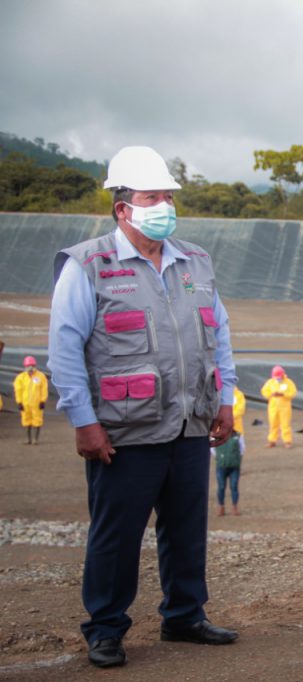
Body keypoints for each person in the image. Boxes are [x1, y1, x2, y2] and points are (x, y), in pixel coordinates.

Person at [47, 146, 239, 668]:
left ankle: (185, 615)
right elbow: (64, 349)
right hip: (124, 430)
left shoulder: (195, 260)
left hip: (189, 423)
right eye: (153, 197)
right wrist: (84, 422)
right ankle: (105, 628)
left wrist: (225, 400)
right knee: (117, 535)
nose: (165, 205)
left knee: (185, 529)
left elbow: (217, 334)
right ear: (123, 208)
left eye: (169, 196)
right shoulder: (89, 265)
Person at [14, 355, 48, 444]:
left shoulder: (41, 376)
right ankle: (28, 439)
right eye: (28, 366)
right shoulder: (20, 377)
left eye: (32, 365)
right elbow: (18, 390)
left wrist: (42, 401)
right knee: (26, 420)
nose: (30, 368)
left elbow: (44, 389)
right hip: (25, 403)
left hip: (37, 403)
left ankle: (35, 439)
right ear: (25, 366)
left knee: (37, 420)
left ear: (35, 366)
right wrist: (19, 402)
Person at [260, 365, 296, 448]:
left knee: (285, 424)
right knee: (273, 424)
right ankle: (272, 441)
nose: (277, 378)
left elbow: (293, 393)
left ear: (283, 374)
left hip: (285, 407)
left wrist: (283, 394)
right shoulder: (270, 382)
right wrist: (271, 394)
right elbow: (264, 391)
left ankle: (287, 441)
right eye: (276, 377)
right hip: (273, 407)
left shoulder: (288, 382)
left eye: (279, 376)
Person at [213, 431, 244, 516]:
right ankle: (221, 507)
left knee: (234, 486)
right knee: (221, 487)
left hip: (234, 466)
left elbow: (242, 449)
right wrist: (219, 457)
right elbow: (212, 448)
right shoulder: (216, 436)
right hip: (221, 466)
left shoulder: (238, 435)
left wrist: (235, 459)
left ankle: (234, 507)